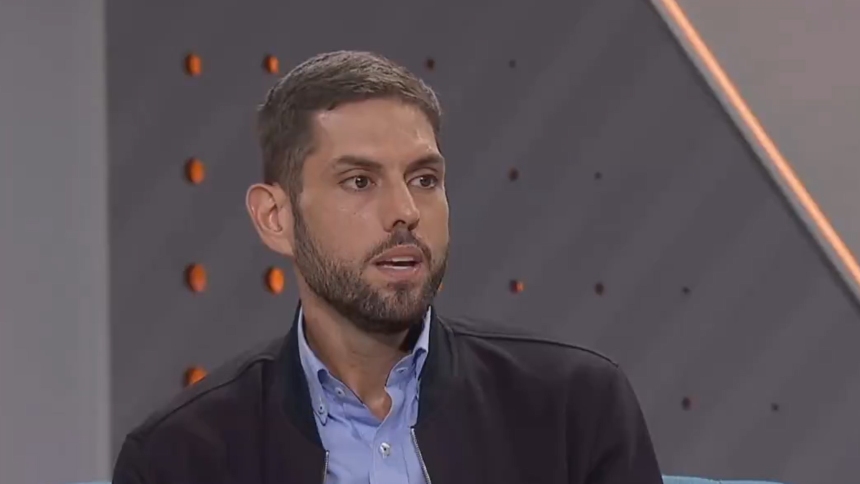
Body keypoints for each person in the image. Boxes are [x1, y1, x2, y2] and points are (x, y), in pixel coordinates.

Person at [112, 50, 663, 484]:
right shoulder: (180, 458)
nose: (405, 211)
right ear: (276, 218)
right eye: (359, 181)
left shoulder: (573, 407)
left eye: (424, 179)